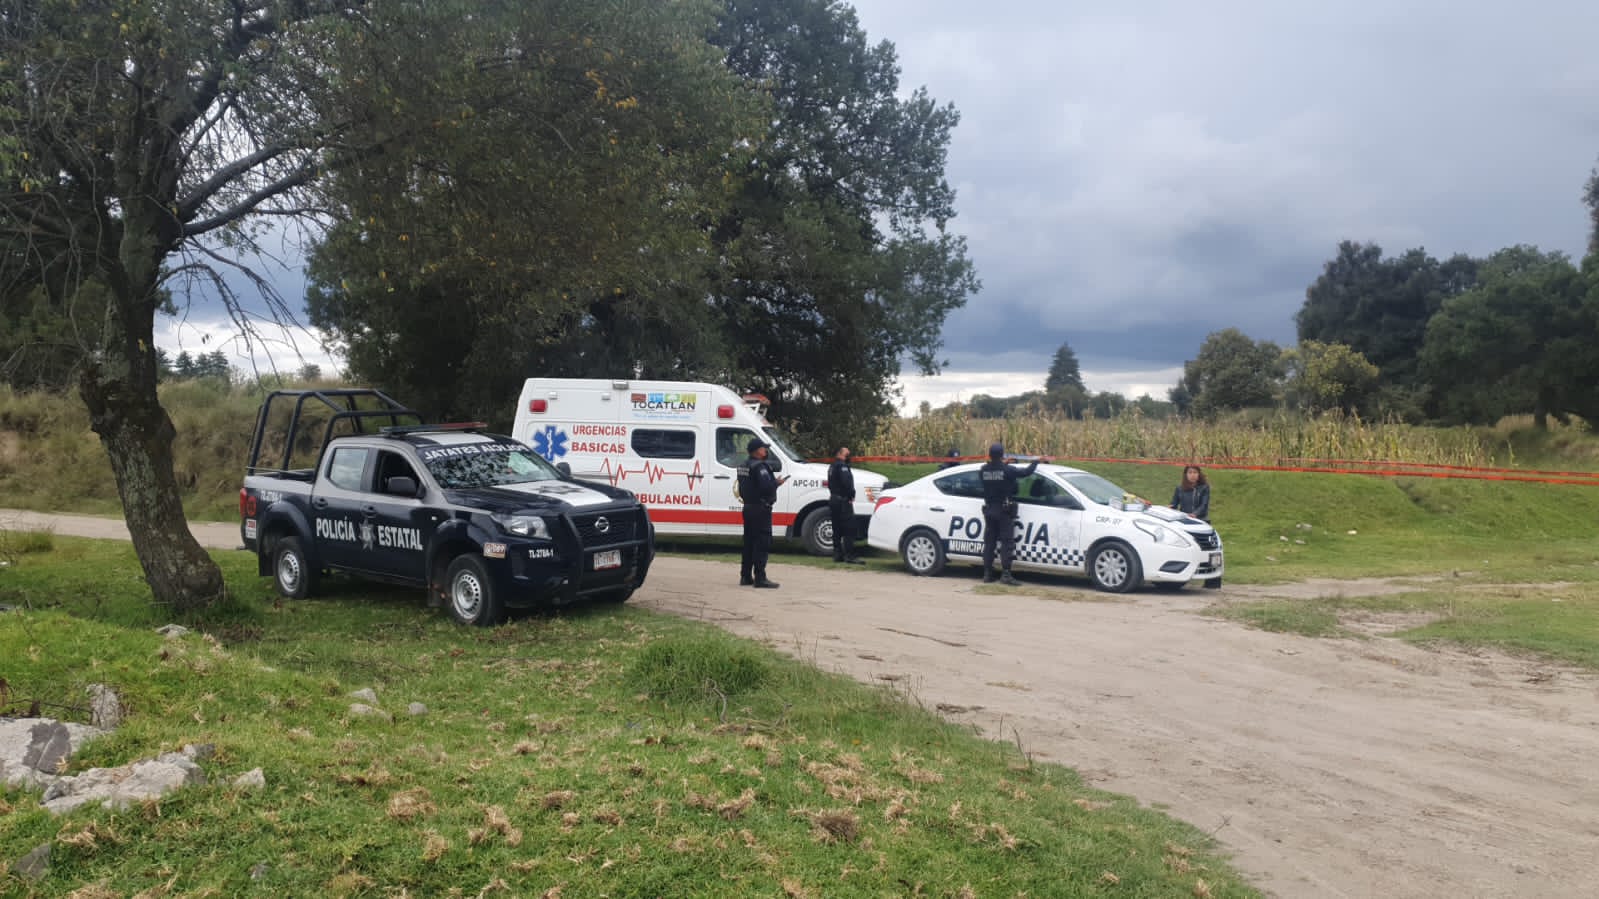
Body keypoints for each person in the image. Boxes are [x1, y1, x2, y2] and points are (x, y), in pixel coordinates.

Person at [979, 442, 1048, 585]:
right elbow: (1025, 473)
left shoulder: (983, 470)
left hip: (989, 510)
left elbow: (994, 471)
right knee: (1007, 543)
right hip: (1003, 511)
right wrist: (1035, 462)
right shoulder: (1008, 470)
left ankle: (987, 574)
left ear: (990, 455)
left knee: (990, 543)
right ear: (1003, 455)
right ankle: (1005, 575)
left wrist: (1003, 464)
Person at [739, 437, 787, 588]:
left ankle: (745, 576)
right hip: (761, 508)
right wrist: (777, 483)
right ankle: (760, 577)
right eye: (763, 448)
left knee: (749, 542)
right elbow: (766, 487)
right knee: (761, 542)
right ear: (757, 451)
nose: (765, 450)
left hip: (748, 507)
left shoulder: (743, 465)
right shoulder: (760, 467)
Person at [1170, 465, 1220, 589]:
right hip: (1184, 524)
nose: (1192, 475)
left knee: (1209, 551)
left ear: (1199, 474)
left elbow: (1204, 505)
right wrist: (1169, 509)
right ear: (1185, 475)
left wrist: (1195, 515)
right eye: (1190, 472)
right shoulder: (1179, 489)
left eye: (1195, 472)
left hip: (1201, 523)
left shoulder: (1204, 488)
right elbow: (1174, 504)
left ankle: (1212, 581)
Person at [827, 446, 863, 564]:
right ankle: (849, 556)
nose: (849, 457)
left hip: (833, 499)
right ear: (840, 454)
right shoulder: (842, 466)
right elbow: (847, 482)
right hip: (843, 501)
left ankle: (837, 554)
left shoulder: (832, 466)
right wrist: (851, 494)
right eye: (847, 454)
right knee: (849, 528)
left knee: (836, 528)